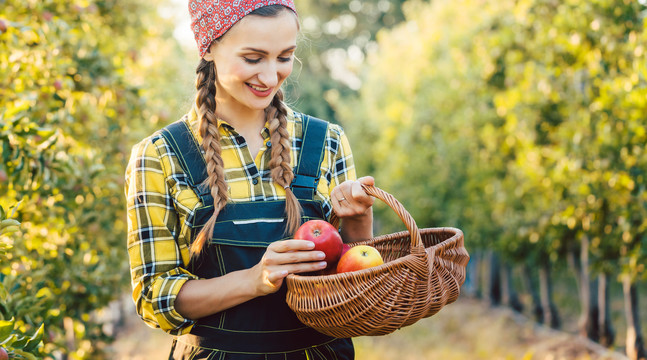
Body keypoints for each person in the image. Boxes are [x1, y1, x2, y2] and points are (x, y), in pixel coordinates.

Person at [124, 1, 374, 359]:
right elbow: (155, 297)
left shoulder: (326, 141)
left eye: (285, 57)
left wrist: (358, 218)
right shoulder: (160, 155)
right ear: (208, 47)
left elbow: (354, 276)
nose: (271, 77)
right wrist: (256, 280)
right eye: (253, 59)